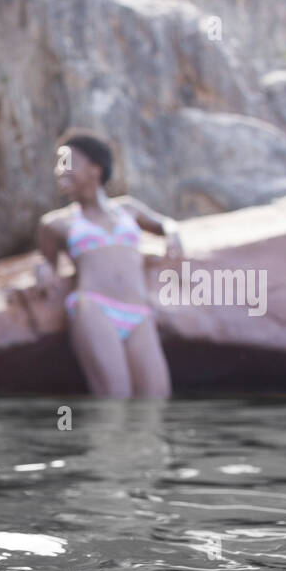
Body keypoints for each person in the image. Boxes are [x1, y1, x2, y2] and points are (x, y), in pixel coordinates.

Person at [34, 129, 182, 398]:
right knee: (115, 398)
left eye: (67, 162)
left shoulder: (128, 209)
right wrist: (42, 270)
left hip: (138, 312)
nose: (59, 171)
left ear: (95, 167)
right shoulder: (57, 223)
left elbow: (166, 224)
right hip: (94, 308)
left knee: (157, 399)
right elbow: (46, 262)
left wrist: (173, 236)